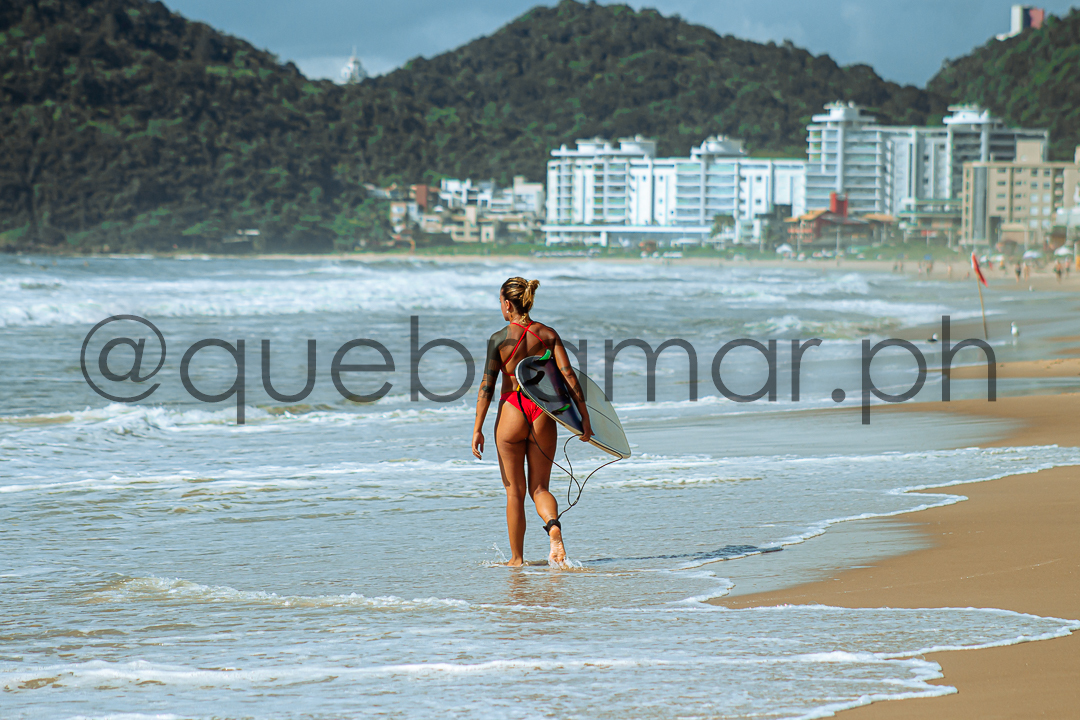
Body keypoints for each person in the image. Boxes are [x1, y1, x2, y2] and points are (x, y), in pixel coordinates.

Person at [472, 277, 593, 567]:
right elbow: (568, 375)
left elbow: (487, 386)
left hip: (512, 410)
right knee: (539, 488)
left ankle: (516, 560)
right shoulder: (548, 334)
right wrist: (584, 416)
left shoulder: (499, 339)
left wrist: (477, 428)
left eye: (500, 302)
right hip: (542, 411)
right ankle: (552, 526)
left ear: (507, 304)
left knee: (514, 492)